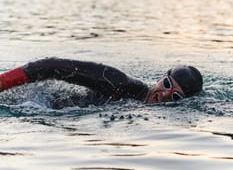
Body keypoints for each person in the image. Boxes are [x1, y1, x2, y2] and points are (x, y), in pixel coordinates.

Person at [0, 57, 203, 105]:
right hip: (43, 104)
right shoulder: (119, 84)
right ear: (162, 77)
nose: (165, 94)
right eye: (167, 85)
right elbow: (48, 66)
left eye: (175, 96)